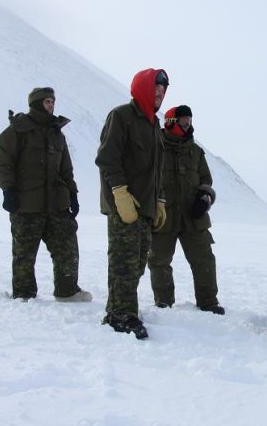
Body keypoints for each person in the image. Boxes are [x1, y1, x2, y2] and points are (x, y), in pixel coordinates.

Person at [0, 86, 91, 302]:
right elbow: (3, 163)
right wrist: (8, 190)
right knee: (24, 254)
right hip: (27, 204)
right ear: (37, 104)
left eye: (53, 102)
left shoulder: (57, 134)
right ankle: (24, 294)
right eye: (47, 102)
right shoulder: (17, 131)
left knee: (67, 249)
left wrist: (73, 194)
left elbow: (66, 169)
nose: (51, 106)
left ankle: (67, 291)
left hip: (57, 204)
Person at [95, 68, 169, 340]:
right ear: (144, 89)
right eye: (156, 88)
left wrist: (160, 200)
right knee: (123, 262)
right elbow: (107, 159)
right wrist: (120, 193)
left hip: (146, 208)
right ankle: (121, 315)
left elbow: (157, 171)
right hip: (125, 204)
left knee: (137, 263)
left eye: (164, 90)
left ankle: (119, 306)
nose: (160, 94)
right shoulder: (122, 117)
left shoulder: (154, 126)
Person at [147, 105, 224, 314]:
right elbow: (145, 179)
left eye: (189, 119)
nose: (187, 123)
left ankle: (208, 302)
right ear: (171, 122)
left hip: (193, 216)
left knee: (204, 259)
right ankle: (163, 303)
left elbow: (206, 180)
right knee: (159, 260)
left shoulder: (196, 151)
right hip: (164, 215)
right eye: (183, 120)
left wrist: (204, 198)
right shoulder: (155, 147)